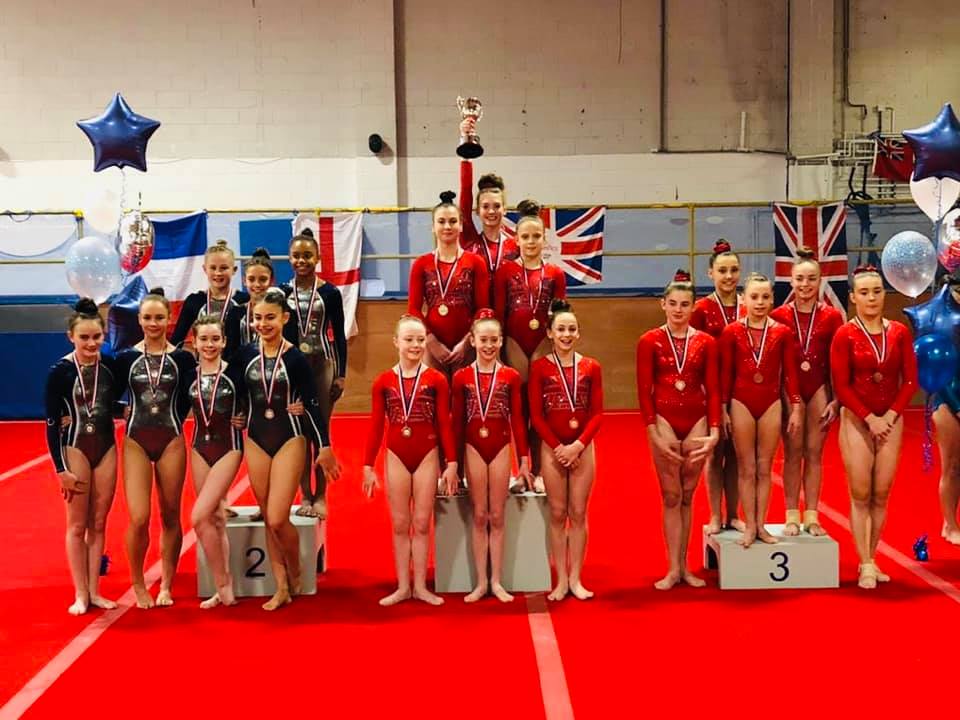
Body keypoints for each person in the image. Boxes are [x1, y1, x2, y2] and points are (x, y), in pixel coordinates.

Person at [230, 288, 341, 610]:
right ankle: (281, 587)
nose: (263, 324)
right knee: (268, 516)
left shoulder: (295, 359)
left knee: (279, 517)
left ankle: (296, 571)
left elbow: (313, 403)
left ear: (284, 318)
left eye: (270, 318)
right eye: (258, 318)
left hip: (290, 438)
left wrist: (324, 445)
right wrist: (238, 412)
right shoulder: (245, 355)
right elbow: (232, 389)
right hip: (256, 439)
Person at [831, 265, 917, 588]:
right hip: (857, 419)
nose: (871, 298)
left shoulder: (899, 332)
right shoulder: (845, 334)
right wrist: (869, 418)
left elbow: (910, 381)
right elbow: (841, 385)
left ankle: (872, 555)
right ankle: (865, 562)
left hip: (890, 419)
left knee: (881, 494)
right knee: (860, 492)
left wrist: (890, 416)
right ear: (853, 297)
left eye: (877, 292)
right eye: (864, 292)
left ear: (884, 294)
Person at [363, 315, 459, 606]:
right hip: (396, 456)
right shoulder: (383, 381)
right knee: (401, 523)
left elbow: (444, 423)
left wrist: (452, 463)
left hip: (427, 455)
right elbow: (376, 425)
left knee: (421, 522)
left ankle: (420, 586)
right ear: (396, 342)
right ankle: (403, 586)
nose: (415, 345)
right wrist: (368, 466)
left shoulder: (436, 380)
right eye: (409, 339)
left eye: (420, 339)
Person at [636, 271, 720, 589]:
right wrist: (652, 431)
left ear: (693, 306)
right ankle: (673, 568)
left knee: (687, 493)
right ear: (663, 304)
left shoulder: (706, 342)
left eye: (685, 304)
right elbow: (644, 390)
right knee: (671, 495)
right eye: (672, 304)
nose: (678, 310)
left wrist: (714, 430)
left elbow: (713, 389)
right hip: (665, 419)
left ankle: (685, 567)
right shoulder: (649, 341)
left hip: (696, 418)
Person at [114, 289, 196, 608]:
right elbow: (107, 395)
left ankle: (167, 584)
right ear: (139, 320)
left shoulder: (182, 359)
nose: (153, 323)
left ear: (169, 319)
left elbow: (191, 397)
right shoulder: (126, 358)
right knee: (139, 517)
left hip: (171, 438)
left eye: (159, 317)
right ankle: (138, 583)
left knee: (171, 514)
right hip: (136, 439)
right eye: (147, 318)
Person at [44, 298, 121, 614]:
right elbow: (51, 422)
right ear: (71, 337)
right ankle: (80, 593)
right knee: (77, 525)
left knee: (98, 523)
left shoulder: (111, 365)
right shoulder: (60, 372)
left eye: (97, 337)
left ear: (104, 335)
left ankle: (95, 591)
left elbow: (115, 403)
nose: (91, 343)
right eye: (84, 337)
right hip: (75, 447)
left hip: (106, 447)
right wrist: (60, 469)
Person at [452, 310, 531, 602]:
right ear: (472, 340)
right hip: (473, 448)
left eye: (494, 340)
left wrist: (523, 460)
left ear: (501, 341)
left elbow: (518, 422)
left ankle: (496, 581)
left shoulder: (510, 376)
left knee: (497, 515)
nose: (488, 345)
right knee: (479, 515)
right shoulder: (461, 377)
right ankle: (481, 582)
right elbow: (457, 424)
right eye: (483, 339)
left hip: (499, 448)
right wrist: (453, 465)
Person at [719, 273, 802, 548]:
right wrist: (723, 409)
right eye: (754, 297)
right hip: (741, 402)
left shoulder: (782, 332)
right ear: (743, 299)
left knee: (764, 468)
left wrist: (796, 407)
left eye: (765, 297)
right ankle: (749, 525)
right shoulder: (732, 332)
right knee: (747, 467)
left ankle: (761, 525)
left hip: (770, 403)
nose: (759, 302)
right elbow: (726, 374)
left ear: (772, 299)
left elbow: (789, 374)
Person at [528, 299, 603, 601]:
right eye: (560, 329)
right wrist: (559, 448)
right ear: (549, 332)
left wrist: (578, 446)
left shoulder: (591, 367)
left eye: (572, 329)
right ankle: (560, 578)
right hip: (553, 448)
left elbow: (597, 414)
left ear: (578, 333)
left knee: (579, 512)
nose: (566, 335)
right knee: (558, 513)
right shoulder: (539, 369)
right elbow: (536, 416)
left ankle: (576, 578)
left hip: (582, 447)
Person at [769, 247, 843, 536]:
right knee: (792, 452)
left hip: (819, 388)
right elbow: (776, 364)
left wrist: (836, 399)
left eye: (811, 279)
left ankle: (812, 515)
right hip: (790, 391)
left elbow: (838, 362)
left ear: (820, 280)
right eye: (800, 278)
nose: (805, 284)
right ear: (791, 280)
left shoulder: (832, 317)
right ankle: (791, 514)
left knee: (814, 453)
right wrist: (784, 400)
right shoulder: (778, 316)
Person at [283, 230, 347, 519]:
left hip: (322, 365)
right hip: (293, 369)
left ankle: (321, 495)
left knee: (320, 430)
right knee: (298, 432)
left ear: (318, 258)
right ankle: (305, 494)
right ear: (289, 258)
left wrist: (341, 374)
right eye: (296, 256)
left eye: (307, 255)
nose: (302, 261)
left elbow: (339, 336)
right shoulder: (282, 293)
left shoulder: (330, 293)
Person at [188, 314, 244, 609]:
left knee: (198, 516)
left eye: (215, 339)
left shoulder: (235, 374)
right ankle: (223, 586)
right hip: (199, 447)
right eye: (204, 339)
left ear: (224, 342)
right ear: (194, 342)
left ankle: (223, 585)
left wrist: (245, 416)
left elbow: (256, 400)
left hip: (229, 447)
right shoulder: (189, 374)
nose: (209, 344)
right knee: (214, 518)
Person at [691, 239, 746, 534]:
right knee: (715, 453)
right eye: (722, 270)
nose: (729, 276)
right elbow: (694, 353)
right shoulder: (701, 309)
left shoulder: (748, 304)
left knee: (736, 454)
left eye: (733, 270)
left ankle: (733, 513)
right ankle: (715, 514)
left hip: (742, 389)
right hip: (711, 390)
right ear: (710, 273)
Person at [408, 191, 490, 379]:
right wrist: (430, 341)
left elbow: (482, 308)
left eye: (453, 221)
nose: (447, 226)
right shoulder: (421, 264)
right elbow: (413, 309)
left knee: (465, 394)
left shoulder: (475, 262)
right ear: (433, 227)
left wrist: (468, 342)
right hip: (432, 342)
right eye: (441, 221)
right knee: (435, 394)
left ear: (461, 225)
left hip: (466, 342)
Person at [456, 122, 519, 284]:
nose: (491, 211)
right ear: (477, 210)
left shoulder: (516, 245)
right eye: (485, 206)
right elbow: (465, 193)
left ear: (505, 209)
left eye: (497, 206)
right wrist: (466, 148)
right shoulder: (469, 239)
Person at [170, 240, 247, 360]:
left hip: (236, 368)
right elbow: (176, 340)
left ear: (234, 270)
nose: (218, 273)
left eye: (224, 268)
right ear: (205, 269)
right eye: (213, 268)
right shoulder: (194, 301)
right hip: (203, 366)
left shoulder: (244, 301)